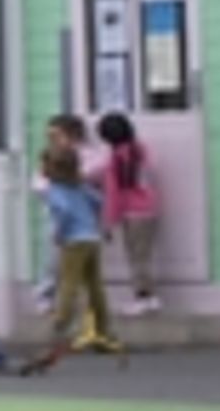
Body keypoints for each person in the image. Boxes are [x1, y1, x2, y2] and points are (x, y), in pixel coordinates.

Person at [25, 145, 122, 373]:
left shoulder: (54, 191)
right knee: (95, 285)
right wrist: (100, 226)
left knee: (69, 283)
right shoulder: (81, 187)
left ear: (51, 168)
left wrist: (59, 234)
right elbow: (98, 202)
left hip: (73, 241)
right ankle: (102, 328)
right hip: (92, 238)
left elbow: (63, 213)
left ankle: (61, 324)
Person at [97, 111, 162, 315]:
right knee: (143, 255)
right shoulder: (139, 150)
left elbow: (114, 193)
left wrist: (109, 222)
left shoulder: (116, 159)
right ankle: (149, 296)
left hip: (131, 212)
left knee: (135, 257)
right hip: (149, 209)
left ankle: (142, 297)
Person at [32, 112, 91, 313]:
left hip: (79, 217)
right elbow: (38, 183)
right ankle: (45, 295)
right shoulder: (48, 157)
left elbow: (88, 183)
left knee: (80, 258)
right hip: (54, 214)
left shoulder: (83, 156)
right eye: (50, 137)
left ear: (73, 136)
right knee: (52, 258)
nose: (52, 141)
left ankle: (79, 298)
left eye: (57, 136)